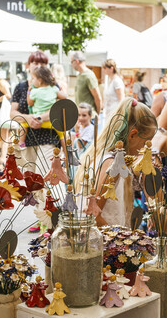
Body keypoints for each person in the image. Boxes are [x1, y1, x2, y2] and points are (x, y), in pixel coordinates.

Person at [74, 97, 157, 227]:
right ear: (133, 135)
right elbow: (92, 216)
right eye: (147, 142)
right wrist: (121, 238)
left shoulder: (115, 160)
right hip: (104, 243)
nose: (147, 148)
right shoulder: (113, 166)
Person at [10, 51, 60, 233]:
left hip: (48, 136)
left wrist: (40, 116)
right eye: (34, 62)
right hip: (28, 138)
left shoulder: (52, 84)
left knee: (47, 176)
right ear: (28, 65)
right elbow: (12, 113)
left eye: (42, 62)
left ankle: (51, 221)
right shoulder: (21, 87)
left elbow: (61, 106)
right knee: (33, 181)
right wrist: (28, 117)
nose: (37, 65)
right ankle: (41, 217)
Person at [20, 66, 67, 148]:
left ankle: (21, 143)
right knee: (62, 134)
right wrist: (57, 97)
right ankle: (67, 152)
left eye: (33, 78)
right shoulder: (54, 89)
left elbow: (30, 103)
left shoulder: (34, 92)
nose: (32, 81)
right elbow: (64, 97)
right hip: (50, 121)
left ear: (40, 80)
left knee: (23, 123)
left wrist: (28, 91)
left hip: (36, 119)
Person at [71, 51, 102, 116]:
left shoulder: (89, 75)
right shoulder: (80, 75)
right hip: (81, 117)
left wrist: (97, 115)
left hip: (89, 117)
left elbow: (97, 98)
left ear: (77, 61)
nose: (71, 64)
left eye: (71, 62)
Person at [102, 59, 125, 129]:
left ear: (111, 68)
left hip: (115, 113)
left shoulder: (117, 81)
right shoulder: (110, 80)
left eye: (105, 68)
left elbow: (121, 99)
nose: (103, 70)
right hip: (109, 112)